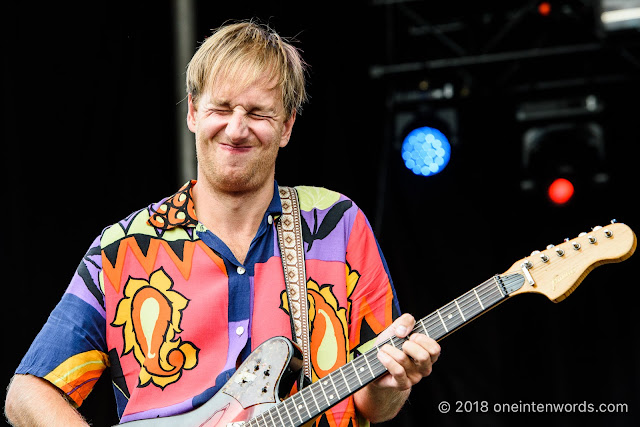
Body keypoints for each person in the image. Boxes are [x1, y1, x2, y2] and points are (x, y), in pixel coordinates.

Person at [5, 20, 441, 426]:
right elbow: (27, 392)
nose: (236, 129)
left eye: (257, 113)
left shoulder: (336, 225)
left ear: (287, 126)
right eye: (222, 108)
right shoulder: (123, 248)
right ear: (193, 111)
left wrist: (391, 385)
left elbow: (373, 405)